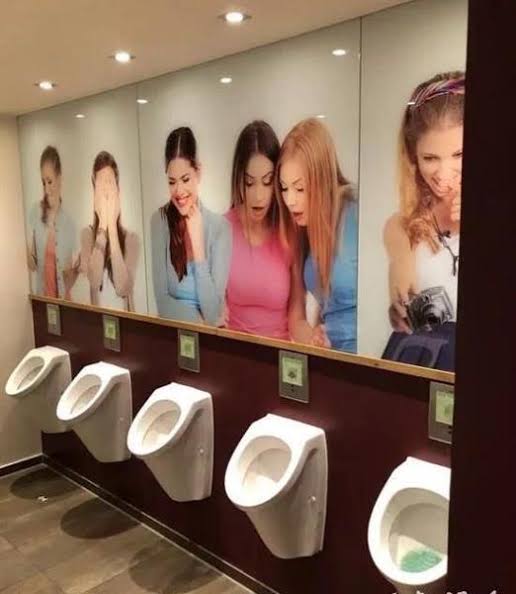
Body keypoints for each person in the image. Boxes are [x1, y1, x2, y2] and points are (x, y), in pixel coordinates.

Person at [383, 71, 465, 370]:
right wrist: (399, 310)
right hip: (420, 360)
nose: (444, 174)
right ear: (413, 158)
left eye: (459, 154)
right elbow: (397, 225)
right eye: (430, 158)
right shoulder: (405, 226)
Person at [277, 118, 358, 353]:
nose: (290, 200)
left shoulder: (356, 212)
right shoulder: (300, 228)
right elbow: (296, 318)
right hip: (328, 358)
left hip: (368, 356)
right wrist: (313, 339)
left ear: (322, 179)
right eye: (284, 188)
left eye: (300, 188)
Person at [151, 126, 231, 324]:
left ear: (198, 172)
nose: (179, 191)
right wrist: (199, 322)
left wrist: (198, 248)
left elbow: (213, 312)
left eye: (185, 179)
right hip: (171, 334)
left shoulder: (221, 228)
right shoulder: (159, 221)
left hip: (209, 339)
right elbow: (162, 302)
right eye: (172, 182)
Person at [225, 121, 296, 339]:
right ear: (238, 178)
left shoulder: (290, 231)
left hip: (280, 354)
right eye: (249, 183)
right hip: (231, 352)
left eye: (267, 182)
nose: (258, 196)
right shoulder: (221, 229)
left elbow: (297, 316)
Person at [80, 151, 139, 311]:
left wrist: (112, 227)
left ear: (118, 190)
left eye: (110, 183)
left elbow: (122, 288)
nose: (106, 192)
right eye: (101, 185)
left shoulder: (131, 239)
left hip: (126, 324)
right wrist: (103, 226)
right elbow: (94, 280)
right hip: (96, 323)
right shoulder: (87, 235)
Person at [27, 146, 77, 299]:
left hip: (63, 303)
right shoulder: (35, 212)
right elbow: (33, 265)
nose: (46, 189)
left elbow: (67, 282)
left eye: (50, 181)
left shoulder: (68, 223)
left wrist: (77, 269)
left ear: (59, 178)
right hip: (43, 300)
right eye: (43, 183)